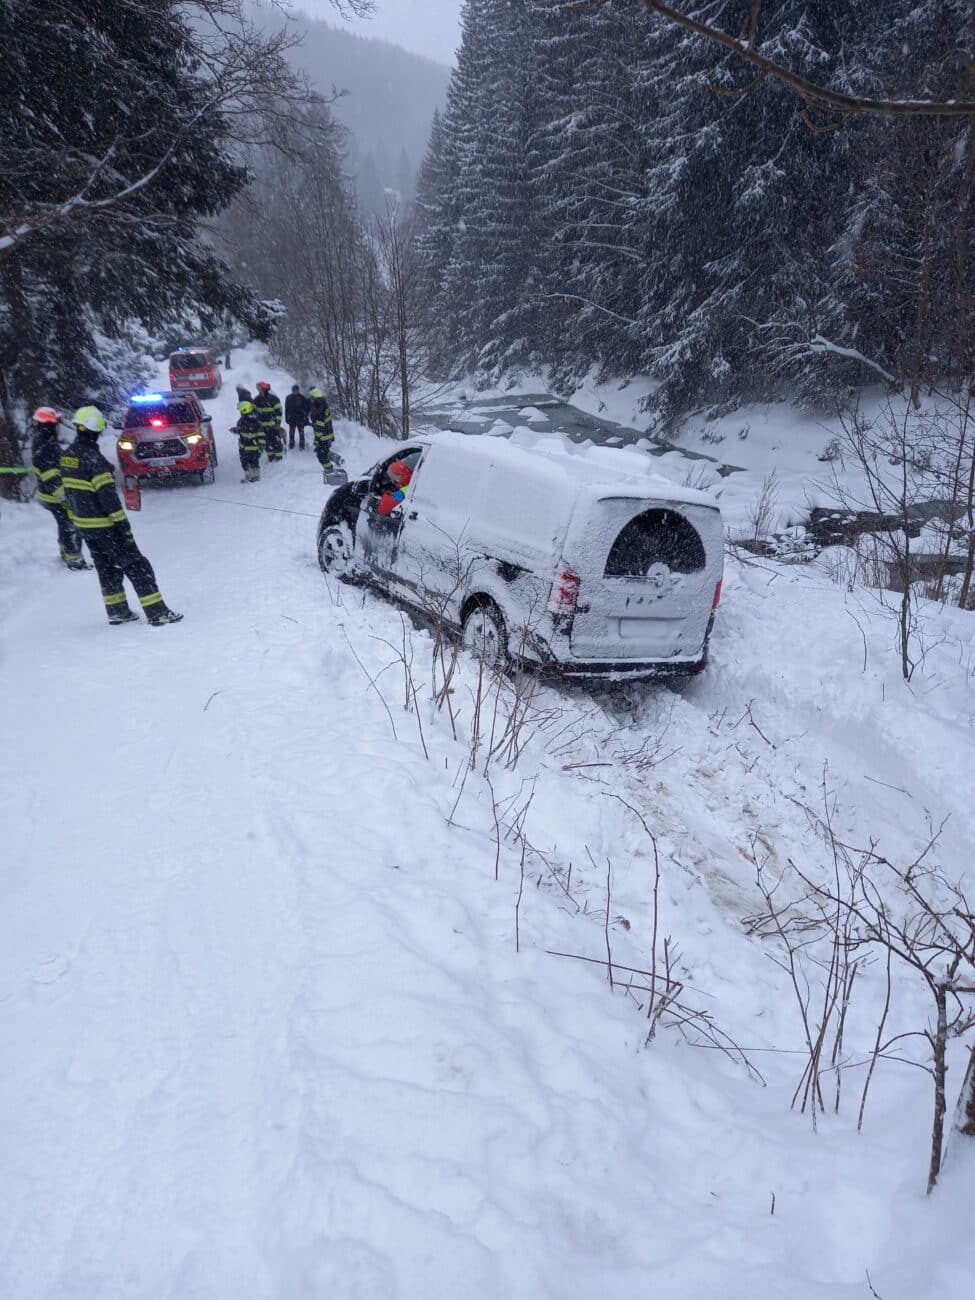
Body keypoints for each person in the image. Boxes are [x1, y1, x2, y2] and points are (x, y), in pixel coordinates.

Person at [61, 406, 182, 626]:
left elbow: (69, 492)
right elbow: (109, 501)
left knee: (107, 568)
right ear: (96, 430)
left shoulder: (68, 456)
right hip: (106, 526)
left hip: (85, 527)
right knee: (138, 567)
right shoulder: (94, 460)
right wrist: (123, 526)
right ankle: (158, 614)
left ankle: (117, 611)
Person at [30, 406, 88, 569]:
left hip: (50, 494)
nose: (58, 426)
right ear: (49, 424)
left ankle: (66, 553)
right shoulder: (46, 444)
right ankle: (74, 559)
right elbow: (50, 474)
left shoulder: (44, 441)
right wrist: (66, 496)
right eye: (55, 423)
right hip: (56, 495)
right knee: (70, 525)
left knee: (64, 524)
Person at [232, 399, 264, 483]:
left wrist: (261, 446)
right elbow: (241, 430)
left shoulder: (255, 420)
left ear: (244, 410)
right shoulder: (242, 420)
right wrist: (235, 430)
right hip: (244, 446)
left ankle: (256, 476)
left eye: (241, 411)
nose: (240, 412)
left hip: (252, 446)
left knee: (253, 462)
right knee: (245, 462)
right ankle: (249, 476)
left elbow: (261, 434)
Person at [309, 387, 336, 481]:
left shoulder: (319, 405)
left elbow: (320, 423)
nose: (310, 400)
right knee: (321, 452)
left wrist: (318, 436)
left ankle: (330, 470)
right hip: (326, 435)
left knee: (321, 455)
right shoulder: (322, 404)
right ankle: (334, 460)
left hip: (324, 436)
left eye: (311, 398)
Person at [254, 380, 284, 463]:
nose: (258, 390)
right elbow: (255, 413)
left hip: (273, 427)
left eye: (259, 388)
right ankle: (271, 458)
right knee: (267, 444)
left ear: (263, 389)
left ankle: (279, 460)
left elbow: (279, 412)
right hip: (263, 428)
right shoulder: (256, 400)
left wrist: (277, 423)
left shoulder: (274, 399)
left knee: (276, 442)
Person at [284, 385, 309, 451]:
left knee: (301, 432)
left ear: (298, 390)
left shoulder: (302, 397)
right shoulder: (288, 397)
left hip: (300, 418)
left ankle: (302, 444)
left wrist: (305, 416)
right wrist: (286, 418)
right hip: (292, 418)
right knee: (291, 432)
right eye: (294, 390)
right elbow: (286, 409)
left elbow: (306, 408)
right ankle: (291, 444)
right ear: (292, 391)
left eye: (296, 390)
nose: (295, 391)